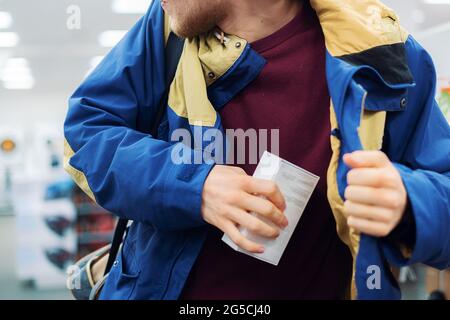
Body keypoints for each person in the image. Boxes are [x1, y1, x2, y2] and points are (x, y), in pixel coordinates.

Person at [64, 0, 450, 300]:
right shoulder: (165, 33)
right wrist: (194, 186)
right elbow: (86, 135)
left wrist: (409, 201)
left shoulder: (383, 55)